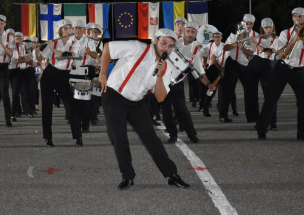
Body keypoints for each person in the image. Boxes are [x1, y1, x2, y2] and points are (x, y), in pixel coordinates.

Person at [99, 28, 191, 190]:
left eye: (170, 46)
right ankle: (128, 177)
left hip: (137, 102)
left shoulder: (167, 67)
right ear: (154, 41)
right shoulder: (137, 47)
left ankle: (171, 175)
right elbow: (108, 48)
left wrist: (161, 76)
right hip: (115, 97)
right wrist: (103, 74)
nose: (166, 48)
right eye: (163, 43)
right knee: (119, 139)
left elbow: (161, 97)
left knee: (151, 139)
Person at [256, 8, 304, 141]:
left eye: (300, 17)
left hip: (298, 71)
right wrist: (295, 38)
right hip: (282, 68)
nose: (297, 19)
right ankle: (261, 129)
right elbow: (279, 54)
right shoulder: (285, 33)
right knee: (271, 99)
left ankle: (302, 134)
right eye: (295, 16)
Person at [163, 22, 216, 144]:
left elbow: (200, 72)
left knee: (182, 109)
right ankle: (172, 135)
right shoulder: (173, 41)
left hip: (177, 83)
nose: (190, 34)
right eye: (188, 31)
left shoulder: (196, 50)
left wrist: (208, 84)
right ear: (184, 31)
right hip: (163, 81)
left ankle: (192, 135)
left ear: (196, 34)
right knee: (166, 110)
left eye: (193, 32)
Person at [35, 19, 80, 147]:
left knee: (71, 106)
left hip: (63, 76)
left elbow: (66, 55)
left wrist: (53, 49)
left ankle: (78, 136)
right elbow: (40, 59)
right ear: (61, 31)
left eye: (70, 28)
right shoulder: (55, 43)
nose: (69, 30)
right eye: (65, 28)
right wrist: (37, 50)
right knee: (47, 107)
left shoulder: (75, 43)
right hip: (49, 74)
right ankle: (48, 138)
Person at [219, 14, 259, 123]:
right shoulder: (234, 33)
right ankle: (223, 115)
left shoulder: (256, 36)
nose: (248, 25)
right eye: (246, 23)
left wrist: (243, 48)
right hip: (233, 63)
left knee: (250, 91)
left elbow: (253, 53)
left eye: (250, 23)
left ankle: (252, 117)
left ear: (253, 24)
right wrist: (236, 44)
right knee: (227, 90)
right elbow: (225, 47)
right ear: (242, 22)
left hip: (247, 65)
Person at [246, 18, 279, 130]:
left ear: (273, 27)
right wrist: (241, 46)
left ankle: (272, 123)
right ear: (262, 28)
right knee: (252, 94)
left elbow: (268, 51)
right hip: (254, 64)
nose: (267, 29)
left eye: (269, 27)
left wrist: (254, 43)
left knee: (269, 96)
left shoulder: (277, 39)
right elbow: (250, 52)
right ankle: (258, 121)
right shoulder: (257, 38)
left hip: (266, 65)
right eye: (265, 27)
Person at [0, 30, 26, 122]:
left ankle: (12, 114)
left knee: (15, 93)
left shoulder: (20, 46)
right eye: (10, 35)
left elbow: (24, 59)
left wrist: (18, 61)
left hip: (15, 70)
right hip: (5, 70)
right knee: (0, 93)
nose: (11, 37)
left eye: (12, 35)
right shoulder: (3, 44)